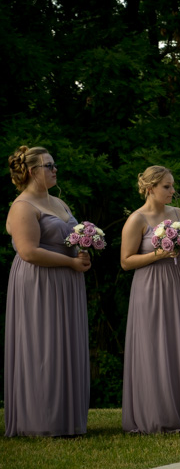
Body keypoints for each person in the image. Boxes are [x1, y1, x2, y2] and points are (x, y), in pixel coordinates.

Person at [5, 146, 91, 437]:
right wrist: (71, 262)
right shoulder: (23, 206)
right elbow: (29, 252)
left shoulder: (58, 202)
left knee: (66, 343)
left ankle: (67, 417)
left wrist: (83, 255)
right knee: (44, 346)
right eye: (49, 166)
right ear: (32, 172)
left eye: (54, 165)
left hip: (68, 281)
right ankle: (40, 420)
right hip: (39, 282)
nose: (55, 170)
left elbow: (72, 239)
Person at [120, 166, 180, 434]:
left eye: (172, 185)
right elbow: (126, 261)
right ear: (150, 189)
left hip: (179, 283)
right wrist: (158, 254)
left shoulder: (179, 214)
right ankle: (154, 415)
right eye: (166, 186)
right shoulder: (137, 219)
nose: (172, 191)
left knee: (179, 342)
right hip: (150, 287)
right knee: (153, 345)